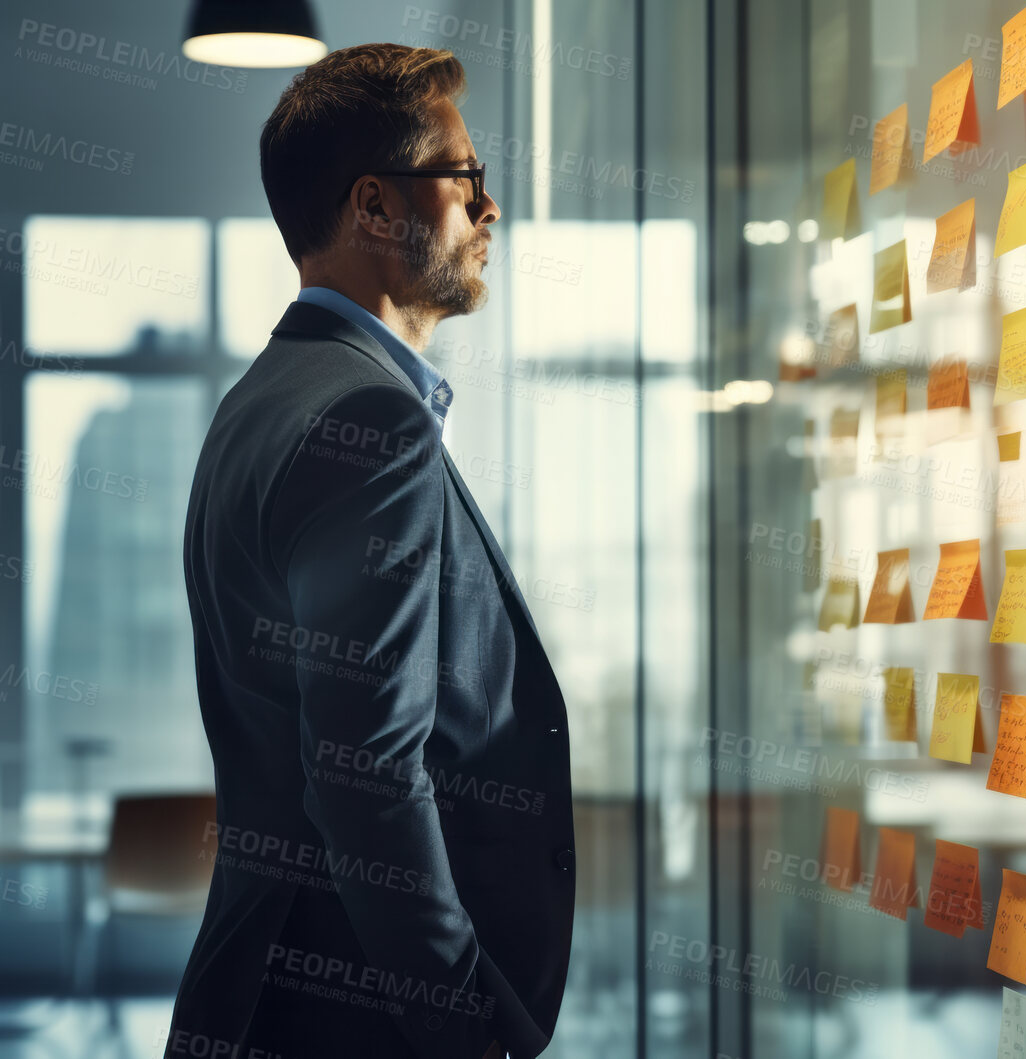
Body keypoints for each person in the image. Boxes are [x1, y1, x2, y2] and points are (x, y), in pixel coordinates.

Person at [167, 43, 573, 1059]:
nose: (489, 209)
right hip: (353, 1020)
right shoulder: (365, 425)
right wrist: (467, 1034)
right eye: (463, 176)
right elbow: (368, 777)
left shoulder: (262, 401)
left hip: (278, 990)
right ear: (374, 208)